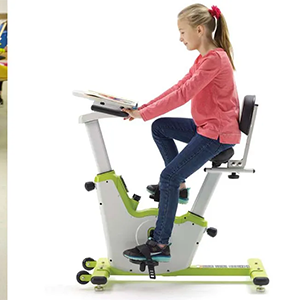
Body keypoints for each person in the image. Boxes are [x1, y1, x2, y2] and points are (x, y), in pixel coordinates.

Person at [120, 4, 238, 263]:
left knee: (168, 177)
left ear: (199, 29)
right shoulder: (203, 59)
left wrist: (144, 113)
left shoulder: (215, 59)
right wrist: (144, 110)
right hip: (205, 126)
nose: (180, 38)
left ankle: (160, 243)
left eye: (183, 32)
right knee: (160, 127)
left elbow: (184, 95)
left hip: (216, 133)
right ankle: (180, 187)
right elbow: (179, 86)